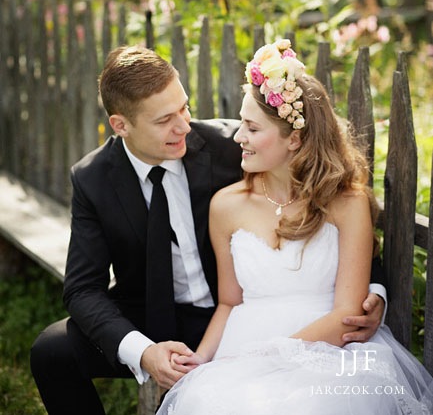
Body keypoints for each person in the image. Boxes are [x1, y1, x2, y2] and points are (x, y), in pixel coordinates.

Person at [30, 43, 386, 415]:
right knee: (52, 352)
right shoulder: (93, 180)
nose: (183, 125)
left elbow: (321, 198)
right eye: (164, 119)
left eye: (183, 107)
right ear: (121, 125)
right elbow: (83, 290)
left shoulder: (233, 146)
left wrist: (373, 289)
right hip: (150, 317)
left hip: (235, 316)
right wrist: (144, 351)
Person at [156, 39, 433, 415]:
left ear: (295, 139)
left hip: (330, 353)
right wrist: (201, 360)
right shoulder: (226, 205)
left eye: (252, 128)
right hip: (242, 348)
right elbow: (229, 302)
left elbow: (347, 314)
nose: (238, 137)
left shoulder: (347, 203)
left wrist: (274, 355)